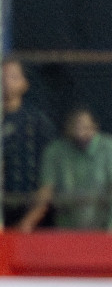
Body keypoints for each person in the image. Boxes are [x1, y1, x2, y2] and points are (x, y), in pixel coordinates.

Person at [19, 107, 112, 232]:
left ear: (95, 126)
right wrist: (26, 223)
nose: (80, 132)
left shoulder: (110, 147)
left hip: (104, 231)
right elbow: (46, 191)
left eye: (85, 127)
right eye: (75, 126)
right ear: (66, 128)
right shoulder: (55, 151)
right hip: (67, 232)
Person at [2, 59, 56, 225]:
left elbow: (50, 177)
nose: (4, 82)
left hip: (33, 213)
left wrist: (29, 221)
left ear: (25, 84)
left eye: (12, 77)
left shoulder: (38, 122)